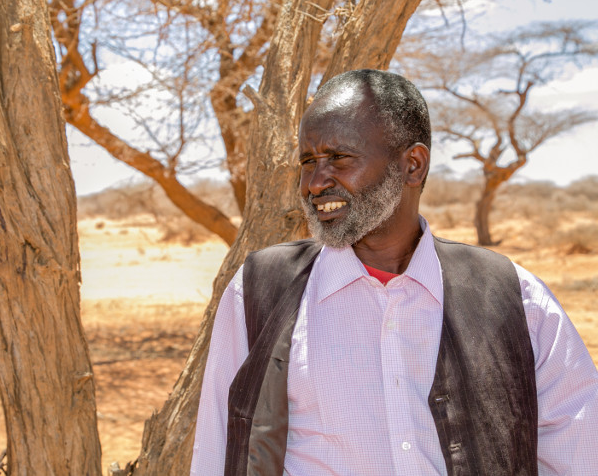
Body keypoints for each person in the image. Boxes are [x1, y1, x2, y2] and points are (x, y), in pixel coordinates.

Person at [190, 69, 598, 475]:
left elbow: (579, 454)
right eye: (308, 162)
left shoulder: (515, 298)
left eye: (339, 158)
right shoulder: (260, 292)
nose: (314, 183)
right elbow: (216, 450)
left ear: (413, 165)